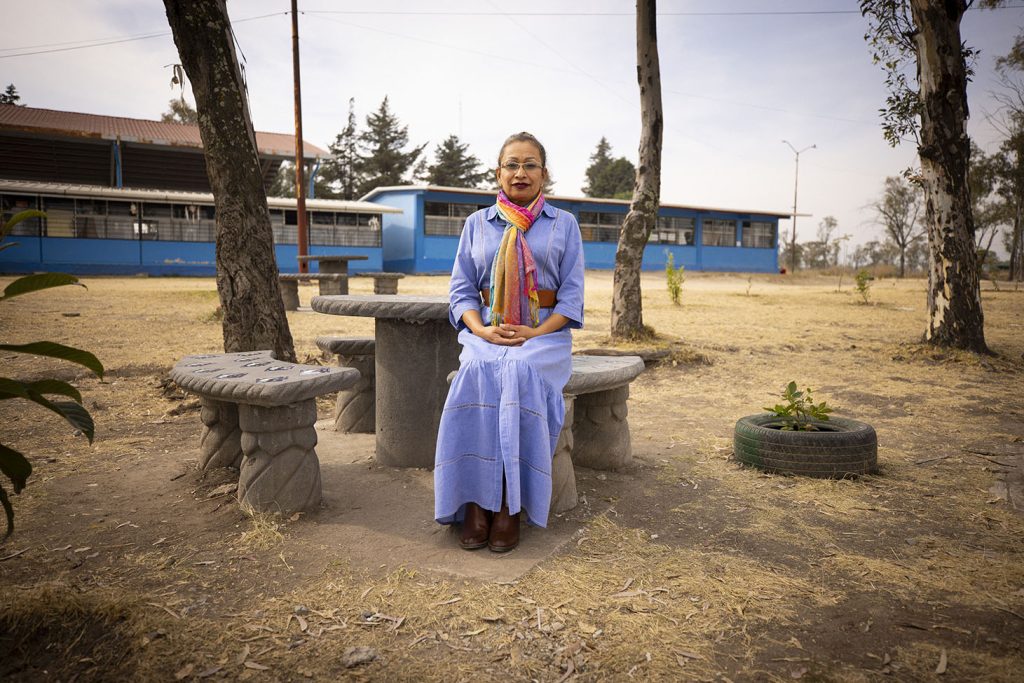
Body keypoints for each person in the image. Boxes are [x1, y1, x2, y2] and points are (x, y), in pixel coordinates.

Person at [434, 132, 585, 552]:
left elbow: (572, 297)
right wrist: (481, 330)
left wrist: (535, 332)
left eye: (530, 164)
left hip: (544, 335)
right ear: (498, 172)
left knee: (519, 370)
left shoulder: (563, 224)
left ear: (544, 173)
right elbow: (462, 291)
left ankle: (506, 504)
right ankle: (474, 501)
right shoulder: (477, 224)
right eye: (512, 164)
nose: (521, 172)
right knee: (475, 372)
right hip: (488, 331)